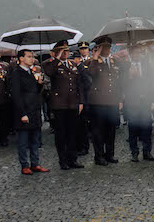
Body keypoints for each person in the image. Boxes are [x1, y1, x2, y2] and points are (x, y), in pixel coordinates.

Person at [41, 41, 85, 170]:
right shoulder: (50, 64)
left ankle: (73, 159)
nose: (65, 53)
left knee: (72, 133)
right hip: (59, 104)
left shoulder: (72, 64)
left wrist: (81, 101)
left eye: (66, 51)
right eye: (62, 51)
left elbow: (79, 85)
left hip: (73, 104)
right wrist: (57, 58)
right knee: (61, 134)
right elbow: (49, 72)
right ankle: (63, 160)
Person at [9, 49, 49, 175]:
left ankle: (35, 163)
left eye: (32, 57)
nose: (32, 59)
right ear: (21, 58)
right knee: (23, 141)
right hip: (25, 111)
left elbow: (34, 92)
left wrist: (39, 84)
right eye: (29, 56)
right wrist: (22, 113)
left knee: (35, 140)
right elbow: (16, 95)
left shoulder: (31, 72)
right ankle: (24, 165)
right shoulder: (16, 73)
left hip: (35, 110)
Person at [84, 37, 121, 165]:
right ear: (98, 48)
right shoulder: (93, 62)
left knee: (111, 130)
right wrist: (95, 56)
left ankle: (109, 154)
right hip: (98, 102)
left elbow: (118, 82)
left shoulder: (114, 61)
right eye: (104, 47)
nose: (107, 49)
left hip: (112, 101)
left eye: (108, 47)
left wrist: (120, 98)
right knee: (98, 131)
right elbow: (91, 73)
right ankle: (99, 156)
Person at [124, 50, 154, 163]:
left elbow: (152, 83)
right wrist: (130, 77)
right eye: (134, 53)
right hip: (132, 102)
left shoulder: (146, 66)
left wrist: (153, 100)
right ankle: (134, 153)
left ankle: (147, 151)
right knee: (132, 128)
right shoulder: (126, 66)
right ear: (131, 55)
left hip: (145, 101)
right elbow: (122, 83)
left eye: (138, 53)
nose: (136, 55)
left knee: (147, 127)